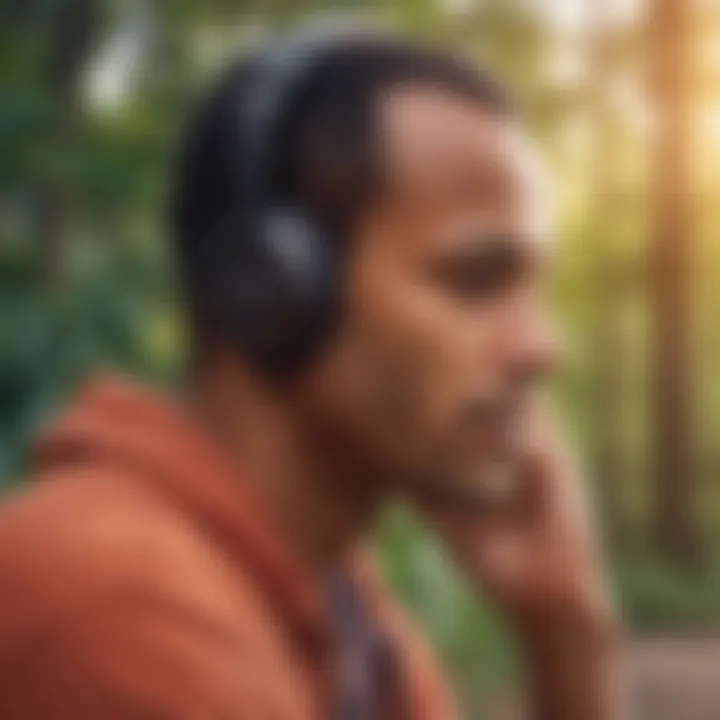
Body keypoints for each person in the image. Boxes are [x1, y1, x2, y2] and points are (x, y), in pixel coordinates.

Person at [0, 26, 620, 719]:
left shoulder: (338, 606)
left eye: (535, 293)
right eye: (475, 283)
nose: (542, 349)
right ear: (270, 290)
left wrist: (567, 631)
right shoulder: (121, 605)